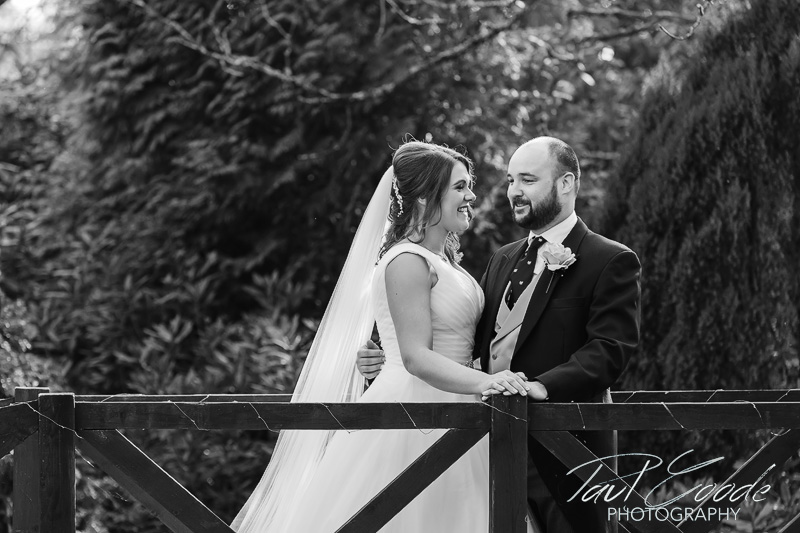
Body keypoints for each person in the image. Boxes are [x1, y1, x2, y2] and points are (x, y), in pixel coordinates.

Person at [232, 140, 536, 533]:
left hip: (459, 404)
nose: (471, 196)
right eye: (459, 187)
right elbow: (414, 357)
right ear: (425, 197)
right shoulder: (407, 261)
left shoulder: (444, 262)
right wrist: (488, 383)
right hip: (416, 411)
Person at [358, 136, 642, 533]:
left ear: (566, 184)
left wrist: (542, 386)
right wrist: (385, 358)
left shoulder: (609, 259)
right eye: (511, 180)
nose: (514, 191)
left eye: (527, 180)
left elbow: (611, 349)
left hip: (566, 452)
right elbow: (467, 342)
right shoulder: (502, 258)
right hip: (486, 441)